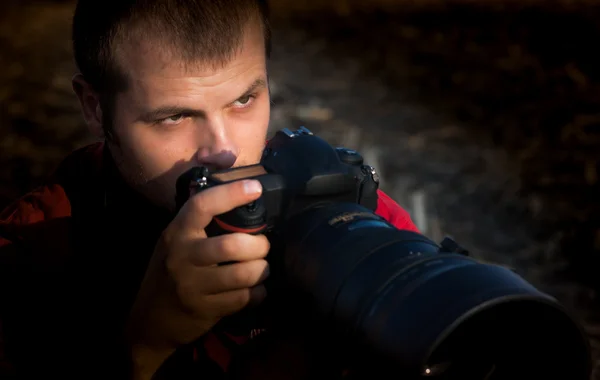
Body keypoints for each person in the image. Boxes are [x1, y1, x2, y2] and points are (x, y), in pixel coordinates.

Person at [0, 1, 419, 379]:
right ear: (94, 107)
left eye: (243, 101)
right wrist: (143, 349)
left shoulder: (347, 214)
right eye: (175, 117)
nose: (224, 151)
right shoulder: (32, 252)